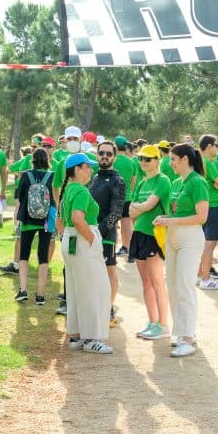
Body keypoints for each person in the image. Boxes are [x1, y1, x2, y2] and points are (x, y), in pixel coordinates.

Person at [153, 143, 208, 357]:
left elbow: (201, 217)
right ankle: (182, 332)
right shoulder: (177, 183)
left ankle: (188, 336)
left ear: (185, 159)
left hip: (190, 237)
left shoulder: (198, 182)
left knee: (185, 284)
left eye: (173, 159)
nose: (171, 163)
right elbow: (174, 212)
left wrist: (169, 220)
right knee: (173, 285)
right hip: (173, 236)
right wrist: (165, 220)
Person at [59, 153, 113, 354]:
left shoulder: (68, 190)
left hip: (70, 240)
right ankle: (91, 338)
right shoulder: (80, 191)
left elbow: (61, 221)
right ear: (77, 169)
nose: (91, 170)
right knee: (94, 290)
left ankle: (78, 334)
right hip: (82, 239)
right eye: (87, 167)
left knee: (76, 290)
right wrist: (92, 240)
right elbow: (77, 218)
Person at [128, 144, 171, 340]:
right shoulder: (141, 183)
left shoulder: (162, 180)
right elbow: (130, 211)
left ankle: (163, 325)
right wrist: (139, 207)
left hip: (154, 234)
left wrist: (139, 207)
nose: (143, 162)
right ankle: (152, 321)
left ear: (157, 160)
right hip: (139, 233)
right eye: (141, 159)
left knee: (157, 281)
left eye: (148, 158)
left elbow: (148, 205)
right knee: (146, 283)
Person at [88, 140, 126, 326]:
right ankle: (96, 307)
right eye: (101, 153)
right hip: (89, 233)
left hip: (107, 235)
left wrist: (99, 231)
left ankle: (109, 309)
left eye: (108, 154)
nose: (104, 156)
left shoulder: (117, 180)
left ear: (114, 157)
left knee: (109, 270)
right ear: (97, 155)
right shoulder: (93, 178)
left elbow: (116, 212)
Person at [12, 148, 54, 305]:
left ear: (33, 160)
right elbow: (55, 200)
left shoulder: (26, 175)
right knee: (43, 257)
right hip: (45, 222)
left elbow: (21, 197)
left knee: (24, 256)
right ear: (47, 159)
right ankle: (40, 295)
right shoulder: (52, 176)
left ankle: (23, 290)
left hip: (28, 220)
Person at [197, 134, 218, 290]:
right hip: (213, 205)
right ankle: (206, 278)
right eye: (216, 145)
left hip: (199, 205)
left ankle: (198, 275)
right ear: (209, 146)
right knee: (210, 243)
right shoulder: (207, 162)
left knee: (202, 242)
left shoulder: (195, 160)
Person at [112, 136, 137, 258]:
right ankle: (128, 248)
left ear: (115, 146)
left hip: (113, 197)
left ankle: (111, 248)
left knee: (112, 224)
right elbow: (133, 182)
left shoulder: (112, 160)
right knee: (127, 224)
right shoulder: (131, 161)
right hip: (128, 196)